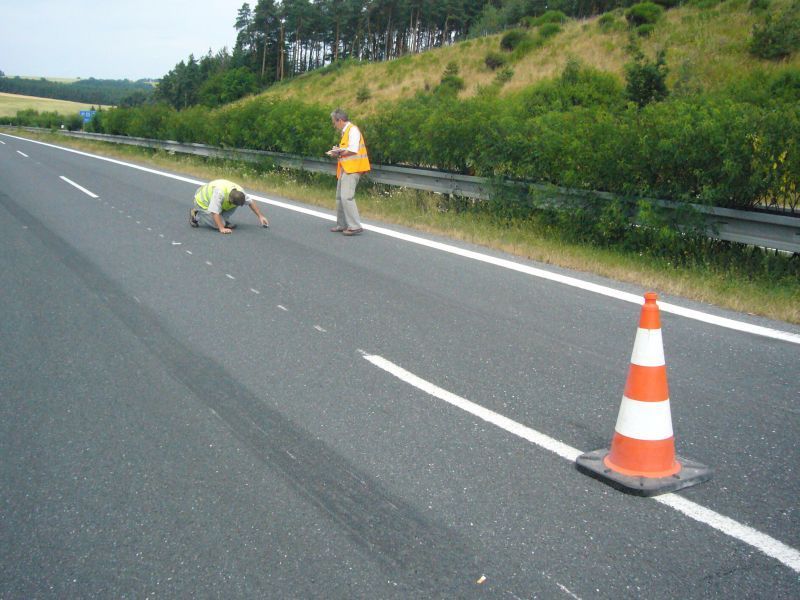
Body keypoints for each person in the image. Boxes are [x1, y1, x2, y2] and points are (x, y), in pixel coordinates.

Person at [326, 109, 370, 236]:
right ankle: (342, 224)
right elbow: (348, 148)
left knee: (347, 197)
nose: (334, 125)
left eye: (334, 122)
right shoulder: (346, 131)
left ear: (340, 120)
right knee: (340, 197)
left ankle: (355, 226)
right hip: (346, 168)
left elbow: (353, 150)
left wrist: (337, 152)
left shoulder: (353, 130)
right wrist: (338, 150)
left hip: (353, 168)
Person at [189, 179, 269, 234]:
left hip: (216, 201)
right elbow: (214, 212)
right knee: (218, 225)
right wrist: (221, 228)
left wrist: (260, 216)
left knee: (234, 206)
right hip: (201, 202)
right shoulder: (220, 193)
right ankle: (196, 214)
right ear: (229, 199)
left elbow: (250, 202)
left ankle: (223, 220)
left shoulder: (240, 192)